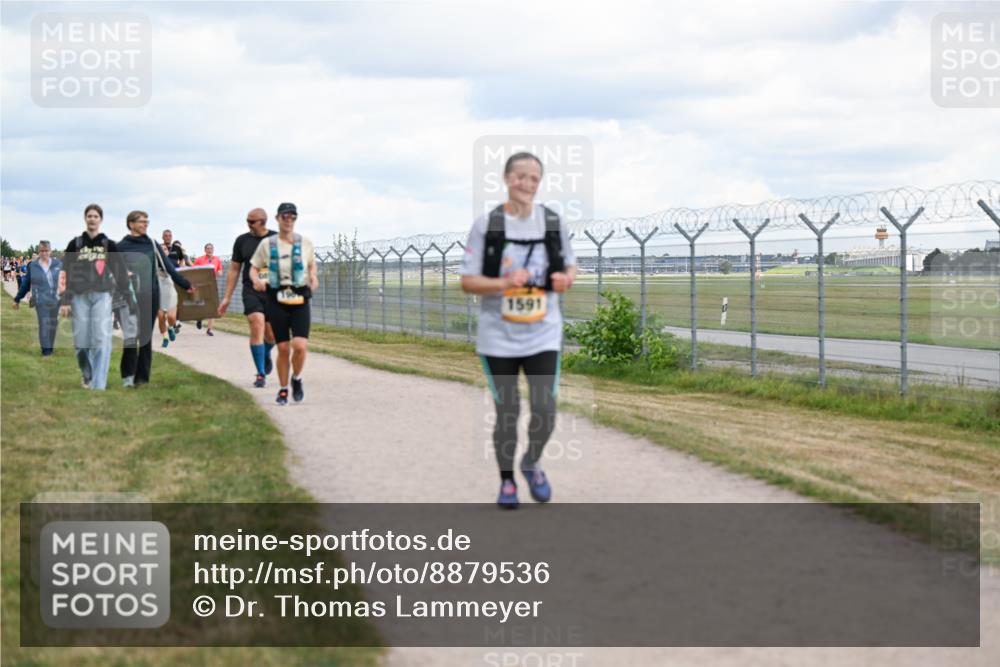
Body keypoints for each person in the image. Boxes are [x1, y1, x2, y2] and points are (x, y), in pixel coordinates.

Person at [460, 152, 577, 508]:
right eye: (520, 177)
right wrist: (503, 283)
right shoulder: (488, 226)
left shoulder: (553, 223)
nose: (526, 184)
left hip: (543, 333)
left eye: (534, 179)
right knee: (507, 413)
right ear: (506, 178)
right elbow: (468, 282)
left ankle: (531, 463)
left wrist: (564, 280)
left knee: (545, 409)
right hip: (498, 337)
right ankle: (507, 481)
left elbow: (571, 269)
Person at [249, 202, 318, 405]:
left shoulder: (304, 243)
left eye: (292, 217)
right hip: (276, 297)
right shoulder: (267, 244)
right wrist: (256, 281)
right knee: (283, 348)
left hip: (299, 296)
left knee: (300, 345)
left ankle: (296, 378)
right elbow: (253, 268)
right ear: (278, 218)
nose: (289, 220)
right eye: (285, 216)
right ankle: (282, 389)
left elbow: (312, 264)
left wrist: (314, 277)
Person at [117, 211, 195, 387]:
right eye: (141, 221)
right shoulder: (121, 246)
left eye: (147, 221)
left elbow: (168, 267)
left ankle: (142, 379)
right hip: (127, 298)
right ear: (131, 224)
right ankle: (128, 376)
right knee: (131, 337)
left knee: (145, 338)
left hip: (150, 295)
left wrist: (185, 284)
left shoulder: (152, 244)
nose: (145, 224)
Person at [59, 204, 131, 390]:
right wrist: (65, 301)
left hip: (102, 296)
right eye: (89, 216)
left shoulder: (108, 245)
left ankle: (98, 386)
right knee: (81, 343)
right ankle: (87, 374)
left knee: (101, 339)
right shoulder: (75, 244)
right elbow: (65, 272)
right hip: (79, 297)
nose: (92, 219)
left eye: (95, 216)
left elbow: (120, 273)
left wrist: (128, 298)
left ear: (100, 220)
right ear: (85, 218)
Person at [218, 207, 278, 388]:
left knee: (272, 335)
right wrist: (226, 297)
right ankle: (260, 374)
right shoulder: (242, 241)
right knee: (256, 324)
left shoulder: (276, 239)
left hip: (273, 292)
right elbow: (234, 269)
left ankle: (265, 353)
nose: (248, 224)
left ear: (262, 221)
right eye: (247, 221)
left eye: (251, 221)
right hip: (251, 290)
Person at [12, 241, 62, 355]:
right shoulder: (33, 266)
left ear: (50, 251)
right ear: (39, 252)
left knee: (53, 324)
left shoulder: (58, 264)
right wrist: (17, 299)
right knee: (44, 323)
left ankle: (50, 347)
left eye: (46, 251)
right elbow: (25, 284)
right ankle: (46, 351)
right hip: (40, 299)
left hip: (55, 299)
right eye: (42, 251)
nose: (44, 253)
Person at [157, 229, 188, 347]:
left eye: (169, 235)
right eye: (165, 235)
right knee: (160, 315)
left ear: (172, 236)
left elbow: (184, 261)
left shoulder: (177, 249)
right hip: (160, 283)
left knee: (171, 316)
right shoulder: (158, 250)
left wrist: (180, 270)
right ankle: (165, 338)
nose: (168, 237)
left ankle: (170, 327)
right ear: (162, 236)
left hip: (173, 282)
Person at [193, 243, 223, 335]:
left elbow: (220, 270)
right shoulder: (199, 259)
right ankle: (199, 318)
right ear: (205, 250)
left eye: (211, 248)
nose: (209, 250)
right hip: (202, 285)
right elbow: (193, 270)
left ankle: (209, 329)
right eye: (208, 248)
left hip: (213, 285)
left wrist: (219, 273)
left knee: (213, 307)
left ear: (213, 250)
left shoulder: (217, 259)